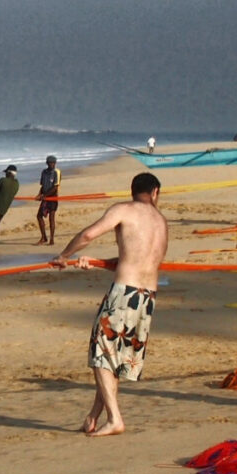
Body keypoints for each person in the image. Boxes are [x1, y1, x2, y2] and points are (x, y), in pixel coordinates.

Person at [51, 173, 168, 438]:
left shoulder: (124, 210)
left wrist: (64, 255)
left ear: (133, 191)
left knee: (101, 350)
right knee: (112, 356)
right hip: (147, 297)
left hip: (124, 293)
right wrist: (95, 262)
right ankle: (94, 416)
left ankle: (115, 419)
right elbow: (137, 260)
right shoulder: (161, 221)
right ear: (155, 192)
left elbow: (88, 234)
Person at [36, 156, 61, 245]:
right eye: (50, 163)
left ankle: (52, 239)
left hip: (53, 198)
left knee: (51, 218)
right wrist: (39, 194)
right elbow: (43, 186)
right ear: (47, 163)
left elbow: (55, 187)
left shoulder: (56, 172)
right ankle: (44, 237)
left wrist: (44, 195)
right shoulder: (44, 172)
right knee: (39, 216)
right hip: (45, 198)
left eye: (53, 163)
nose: (52, 165)